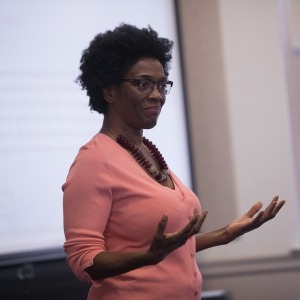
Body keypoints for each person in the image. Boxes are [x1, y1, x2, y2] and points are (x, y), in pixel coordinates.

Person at [62, 23, 285, 300]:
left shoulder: (144, 151)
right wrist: (146, 257)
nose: (157, 94)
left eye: (161, 84)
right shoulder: (93, 162)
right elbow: (84, 259)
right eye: (143, 83)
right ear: (109, 91)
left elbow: (172, 245)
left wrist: (224, 234)